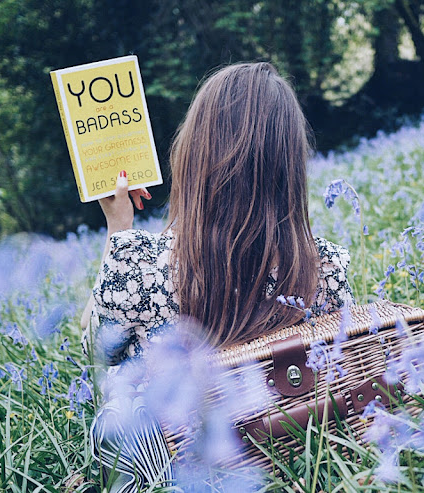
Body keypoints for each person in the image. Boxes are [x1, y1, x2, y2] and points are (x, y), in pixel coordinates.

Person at [82, 62, 355, 491]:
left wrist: (119, 229)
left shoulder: (138, 262)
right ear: (290, 166)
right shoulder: (327, 266)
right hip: (297, 468)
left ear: (194, 156)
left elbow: (97, 346)